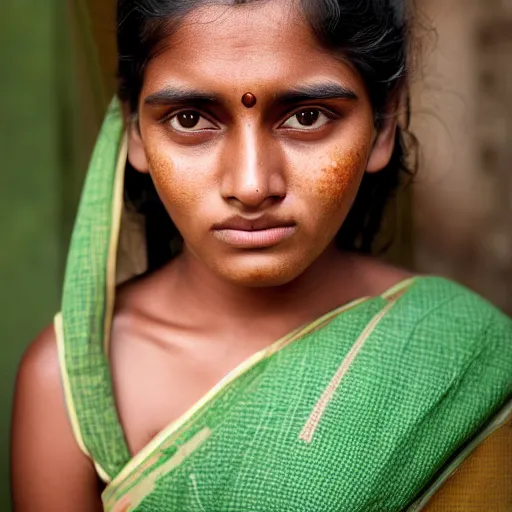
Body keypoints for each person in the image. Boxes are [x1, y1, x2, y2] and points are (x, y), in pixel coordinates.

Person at [10, 1, 512, 510]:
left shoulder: (462, 357)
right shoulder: (73, 383)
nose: (251, 185)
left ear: (383, 126)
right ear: (135, 132)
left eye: (307, 116)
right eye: (189, 119)